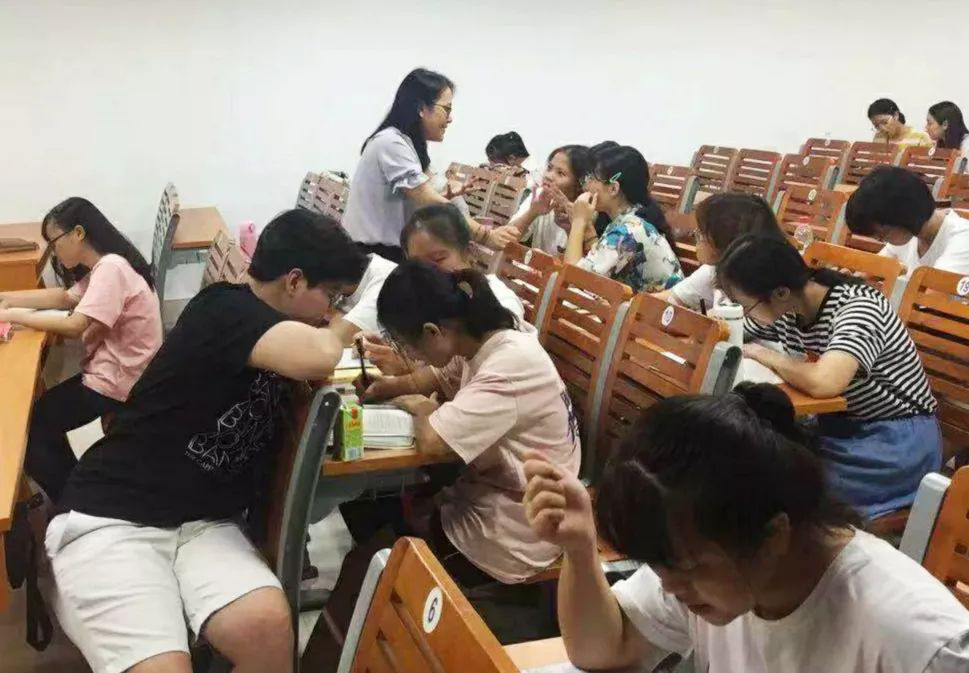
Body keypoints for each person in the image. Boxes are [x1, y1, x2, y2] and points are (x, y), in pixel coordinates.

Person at [45, 209, 365, 673]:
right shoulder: (227, 310)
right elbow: (319, 356)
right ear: (294, 281)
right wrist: (356, 318)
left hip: (202, 523)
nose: (330, 312)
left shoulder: (263, 326)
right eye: (331, 297)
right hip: (113, 515)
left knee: (267, 629)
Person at [523, 384, 969, 673]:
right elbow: (603, 650)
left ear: (774, 534)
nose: (670, 586)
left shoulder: (920, 644)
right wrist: (579, 549)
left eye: (686, 567)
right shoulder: (703, 558)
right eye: (658, 567)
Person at [303, 260, 581, 668]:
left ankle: (345, 658)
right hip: (492, 497)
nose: (411, 357)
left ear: (434, 332)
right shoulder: (479, 338)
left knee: (370, 567)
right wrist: (391, 388)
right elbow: (429, 379)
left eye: (409, 347)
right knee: (368, 551)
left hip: (517, 528)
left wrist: (418, 405)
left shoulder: (507, 366)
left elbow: (432, 441)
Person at [716, 235, 941, 519]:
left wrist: (767, 355)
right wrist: (719, 322)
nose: (747, 313)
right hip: (836, 428)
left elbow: (825, 382)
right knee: (747, 458)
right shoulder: (789, 306)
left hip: (894, 443)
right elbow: (733, 328)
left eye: (745, 305)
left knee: (773, 484)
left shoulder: (859, 309)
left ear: (780, 293)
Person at [0, 197, 162, 503]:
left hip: (120, 381)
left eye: (55, 242)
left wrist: (11, 315)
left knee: (32, 428)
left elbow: (76, 324)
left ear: (78, 233)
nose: (54, 252)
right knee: (44, 417)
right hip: (121, 373)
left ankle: (73, 501)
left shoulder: (111, 268)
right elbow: (66, 298)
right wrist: (7, 297)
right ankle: (76, 489)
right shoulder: (108, 264)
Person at [341, 68, 517, 262]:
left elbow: (424, 200)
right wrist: (485, 235)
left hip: (383, 254)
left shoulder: (404, 144)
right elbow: (428, 200)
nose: (450, 118)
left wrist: (443, 197)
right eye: (446, 109)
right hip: (375, 257)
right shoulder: (391, 143)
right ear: (421, 108)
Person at [565, 145, 683, 293]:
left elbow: (572, 281)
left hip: (653, 308)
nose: (585, 185)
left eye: (591, 178)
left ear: (613, 188)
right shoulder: (627, 219)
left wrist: (578, 221)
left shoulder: (628, 231)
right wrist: (588, 229)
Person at [653, 193, 787, 312]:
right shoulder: (713, 270)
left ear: (725, 237)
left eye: (701, 231)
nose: (694, 235)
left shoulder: (765, 292)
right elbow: (665, 299)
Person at [845, 166, 969, 277]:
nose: (879, 239)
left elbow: (932, 292)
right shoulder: (909, 233)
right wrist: (850, 280)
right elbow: (874, 269)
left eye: (882, 234)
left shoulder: (963, 240)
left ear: (903, 215)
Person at [508, 145, 591, 256]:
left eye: (560, 173)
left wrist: (571, 229)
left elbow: (583, 263)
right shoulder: (540, 195)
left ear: (580, 184)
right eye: (549, 168)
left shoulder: (587, 210)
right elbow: (505, 239)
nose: (548, 176)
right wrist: (532, 212)